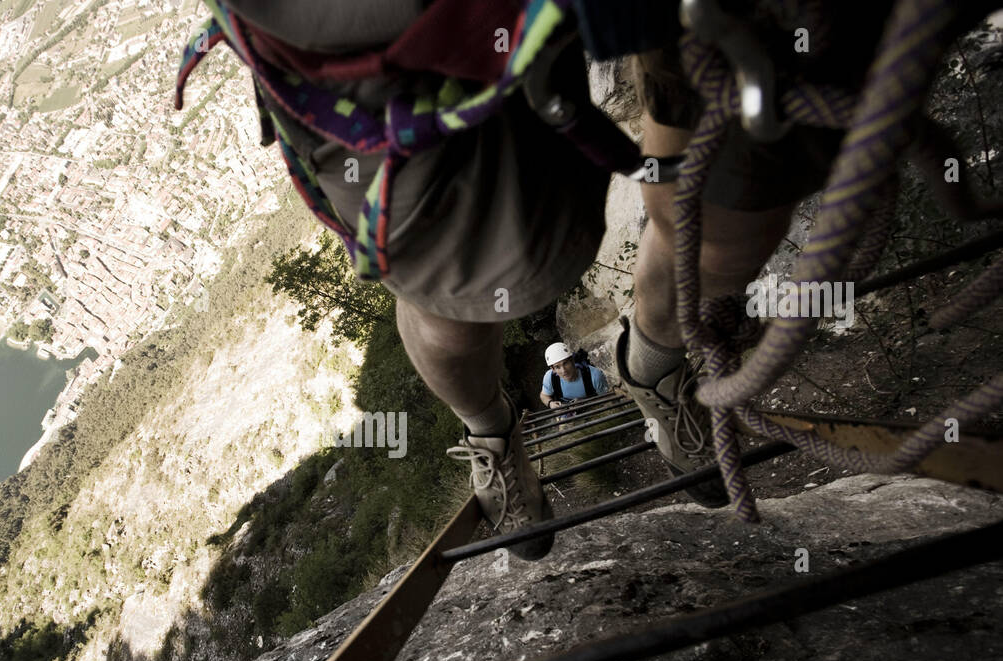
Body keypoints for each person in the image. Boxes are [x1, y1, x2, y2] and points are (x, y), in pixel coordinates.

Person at [184, 0, 888, 558]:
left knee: (740, 201)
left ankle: (654, 365)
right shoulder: (559, 378)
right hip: (401, 22)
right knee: (453, 279)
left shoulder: (559, 379)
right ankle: (494, 433)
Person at [541, 343, 609, 408]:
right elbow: (544, 395)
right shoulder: (550, 378)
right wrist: (550, 403)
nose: (564, 370)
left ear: (572, 361)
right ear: (553, 369)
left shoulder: (594, 376)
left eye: (565, 363)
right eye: (557, 367)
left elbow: (607, 399)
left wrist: (586, 403)